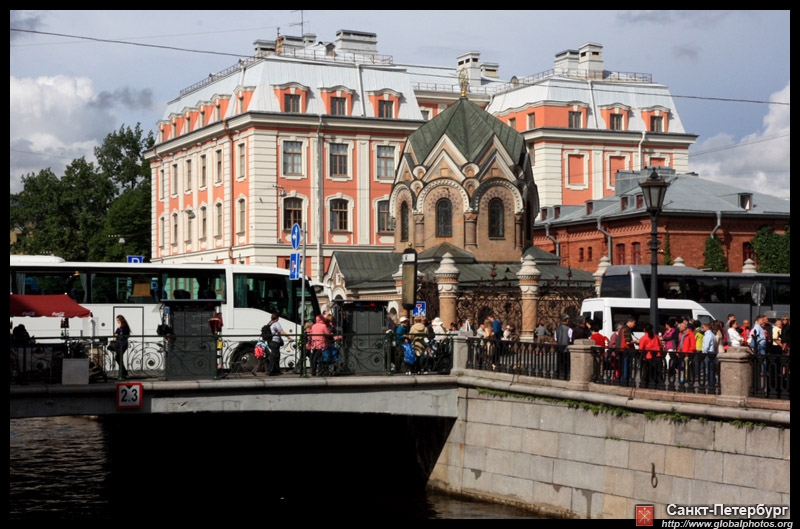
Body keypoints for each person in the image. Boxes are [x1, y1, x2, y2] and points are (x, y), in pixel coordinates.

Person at [638, 323, 662, 387]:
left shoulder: (643, 338)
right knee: (656, 372)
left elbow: (641, 349)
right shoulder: (656, 337)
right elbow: (660, 345)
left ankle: (646, 384)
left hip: (648, 357)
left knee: (647, 372)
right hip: (657, 356)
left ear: (644, 329)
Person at [265, 311, 285, 375]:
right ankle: (271, 371)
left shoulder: (270, 323)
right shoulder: (276, 323)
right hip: (275, 342)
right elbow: (282, 332)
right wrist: (289, 338)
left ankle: (276, 371)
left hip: (270, 342)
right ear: (277, 318)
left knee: (275, 356)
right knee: (275, 357)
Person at [701, 321, 718, 391]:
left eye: (703, 327)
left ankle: (711, 383)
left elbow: (706, 346)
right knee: (711, 369)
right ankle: (712, 382)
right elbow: (715, 344)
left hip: (708, 353)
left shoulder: (708, 335)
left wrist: (704, 353)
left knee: (708, 369)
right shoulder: (712, 334)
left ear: (706, 327)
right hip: (712, 352)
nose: (702, 328)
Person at [554, 314, 572, 379]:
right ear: (566, 320)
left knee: (560, 362)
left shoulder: (557, 329)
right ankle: (566, 375)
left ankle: (560, 374)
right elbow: (571, 339)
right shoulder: (569, 329)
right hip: (566, 349)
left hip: (559, 348)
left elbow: (556, 339)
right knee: (566, 363)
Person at [114, 315, 131, 380]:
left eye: (118, 320)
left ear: (121, 320)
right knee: (118, 358)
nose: (117, 321)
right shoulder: (122, 326)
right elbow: (116, 333)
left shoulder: (124, 326)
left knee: (118, 357)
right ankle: (124, 372)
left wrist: (119, 327)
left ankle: (123, 373)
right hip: (119, 344)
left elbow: (118, 333)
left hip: (123, 344)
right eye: (117, 320)